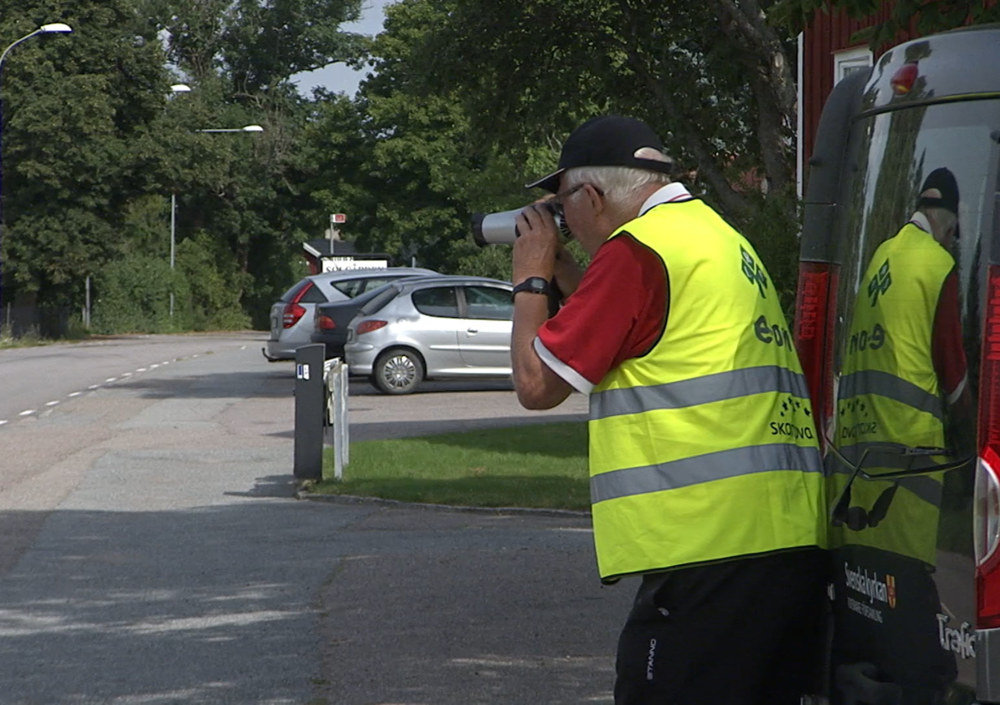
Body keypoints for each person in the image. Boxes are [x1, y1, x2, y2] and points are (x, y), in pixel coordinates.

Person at [509, 115, 828, 705]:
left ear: (592, 196)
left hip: (707, 548)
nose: (564, 225)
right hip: (781, 540)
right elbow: (637, 332)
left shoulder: (636, 252)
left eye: (561, 206)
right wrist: (567, 272)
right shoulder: (712, 236)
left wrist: (530, 278)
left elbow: (536, 384)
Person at [829, 167, 972, 703]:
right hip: (916, 451)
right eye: (955, 229)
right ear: (950, 221)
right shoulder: (938, 264)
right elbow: (953, 372)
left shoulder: (882, 255)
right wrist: (977, 429)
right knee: (917, 588)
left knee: (879, 588)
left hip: (864, 450)